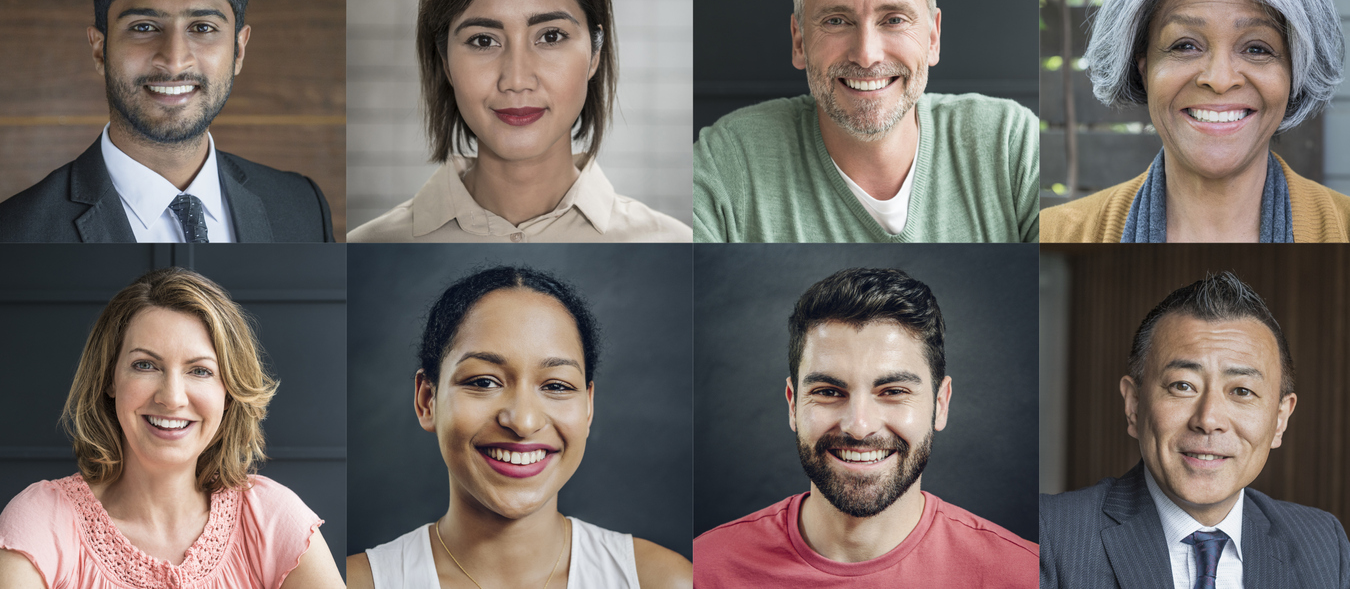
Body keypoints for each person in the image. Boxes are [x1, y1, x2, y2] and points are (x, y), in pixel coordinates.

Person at [1039, 0, 1350, 243]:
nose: (1219, 80)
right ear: (1142, 66)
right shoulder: (1054, 233)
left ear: (1295, 71)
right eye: (1185, 45)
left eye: (1256, 48)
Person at [692, 0, 1038, 243]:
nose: (867, 54)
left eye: (894, 20)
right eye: (837, 21)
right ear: (799, 41)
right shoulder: (729, 159)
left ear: (933, 37)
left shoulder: (1009, 141)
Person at [348, 0, 690, 241]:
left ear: (595, 54)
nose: (516, 79)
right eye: (483, 41)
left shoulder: (674, 242)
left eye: (551, 37)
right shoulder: (368, 243)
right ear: (445, 62)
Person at [349, 265, 691, 588]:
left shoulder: (663, 580)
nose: (524, 422)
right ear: (427, 400)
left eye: (556, 386)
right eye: (484, 382)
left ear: (588, 406)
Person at [0, 267, 342, 588]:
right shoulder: (40, 520)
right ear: (110, 379)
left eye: (200, 370)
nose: (172, 398)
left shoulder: (272, 516)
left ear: (228, 393)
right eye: (145, 365)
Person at [694, 268, 1038, 584]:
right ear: (793, 404)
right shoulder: (706, 569)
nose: (859, 427)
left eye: (893, 392)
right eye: (828, 392)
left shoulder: (1025, 575)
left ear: (940, 404)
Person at [0, 0, 333, 242]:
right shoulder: (14, 231)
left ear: (238, 50)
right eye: (144, 27)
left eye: (202, 28)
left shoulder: (303, 206)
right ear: (100, 50)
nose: (174, 60)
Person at [1041, 273, 1350, 586]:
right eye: (1183, 386)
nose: (1208, 418)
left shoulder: (1322, 544)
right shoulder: (1051, 536)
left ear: (1280, 420)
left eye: (1242, 391)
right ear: (1133, 405)